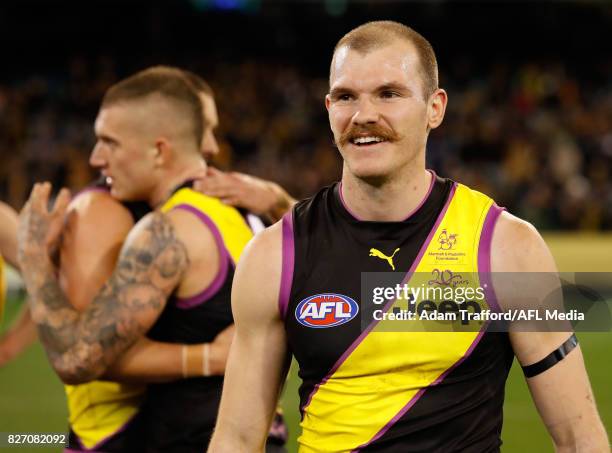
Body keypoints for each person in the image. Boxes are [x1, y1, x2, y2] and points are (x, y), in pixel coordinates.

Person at [207, 21, 609, 451]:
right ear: (328, 109)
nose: (364, 116)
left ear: (435, 108)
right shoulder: (274, 255)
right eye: (346, 96)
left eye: (389, 93)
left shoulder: (506, 248)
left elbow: (578, 435)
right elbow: (237, 437)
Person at [16, 66, 274, 452]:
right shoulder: (252, 209)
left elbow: (77, 360)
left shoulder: (164, 231)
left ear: (159, 150)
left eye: (109, 142)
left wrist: (33, 259)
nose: (95, 157)